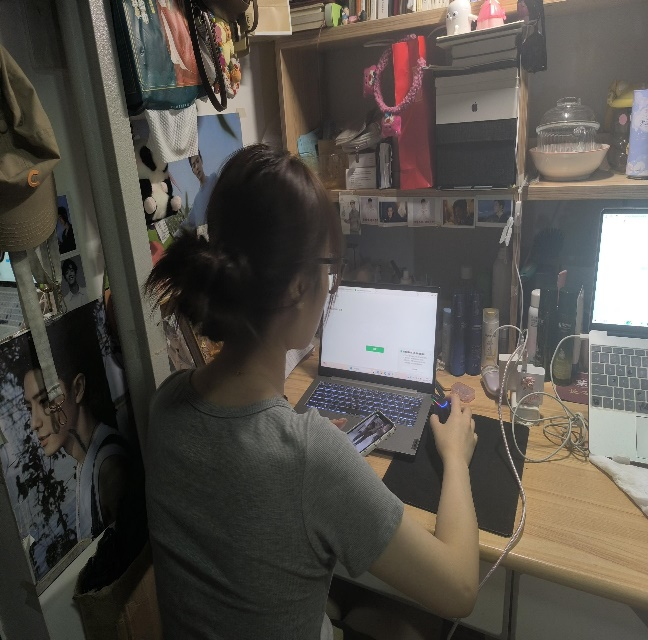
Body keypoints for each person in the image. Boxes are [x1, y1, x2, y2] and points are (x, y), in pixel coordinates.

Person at [144, 144, 478, 640]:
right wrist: (455, 458)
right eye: (329, 266)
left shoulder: (165, 403)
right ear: (299, 287)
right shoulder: (309, 457)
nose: (331, 283)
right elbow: (460, 589)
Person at [22, 309, 130, 540]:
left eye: (46, 400)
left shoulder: (110, 471)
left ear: (78, 388)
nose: (34, 423)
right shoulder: (87, 464)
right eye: (29, 408)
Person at [178, 150, 219, 235]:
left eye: (197, 161)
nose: (196, 167)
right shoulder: (197, 201)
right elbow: (188, 223)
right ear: (193, 171)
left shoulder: (213, 178)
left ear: (201, 161)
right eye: (193, 165)